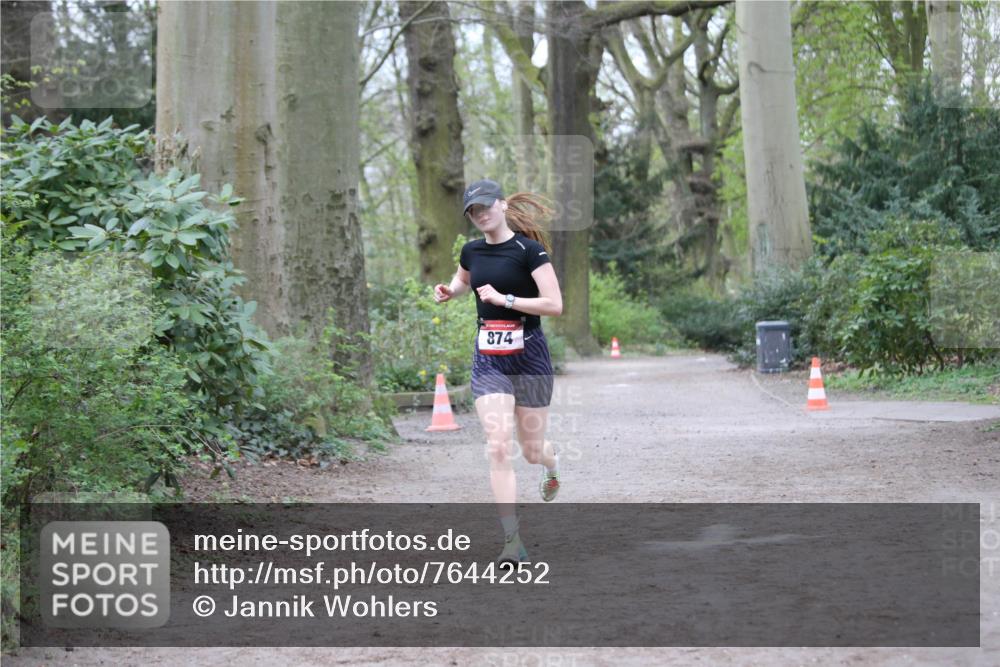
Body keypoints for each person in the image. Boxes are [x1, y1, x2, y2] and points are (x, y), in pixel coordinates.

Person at [433, 178, 563, 565]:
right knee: (498, 443)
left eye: (486, 206)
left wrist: (506, 299)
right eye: (473, 210)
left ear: (503, 205)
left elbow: (555, 305)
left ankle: (552, 466)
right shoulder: (471, 251)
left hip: (530, 356)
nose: (481, 214)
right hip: (489, 356)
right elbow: (463, 282)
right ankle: (512, 540)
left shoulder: (530, 251)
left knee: (533, 450)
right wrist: (449, 292)